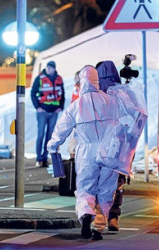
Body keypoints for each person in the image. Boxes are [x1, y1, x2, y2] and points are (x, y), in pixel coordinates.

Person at [47, 65, 119, 240]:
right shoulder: (111, 101)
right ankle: (98, 227)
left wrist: (53, 146)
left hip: (86, 151)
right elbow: (124, 124)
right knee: (106, 189)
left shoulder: (76, 105)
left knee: (86, 187)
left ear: (82, 81)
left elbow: (62, 128)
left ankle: (86, 214)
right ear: (96, 80)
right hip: (109, 150)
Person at [96, 60, 126, 231]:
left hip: (98, 145)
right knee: (117, 182)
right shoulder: (123, 94)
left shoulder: (95, 94)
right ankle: (113, 217)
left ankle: (98, 216)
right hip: (119, 145)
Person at [31, 61, 65, 168]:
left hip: (53, 112)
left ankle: (45, 158)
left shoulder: (59, 79)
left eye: (50, 68)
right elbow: (33, 93)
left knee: (49, 136)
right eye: (47, 68)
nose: (48, 69)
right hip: (43, 111)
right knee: (40, 135)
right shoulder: (40, 78)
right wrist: (38, 107)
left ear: (54, 69)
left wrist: (60, 106)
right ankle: (39, 158)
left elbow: (62, 93)